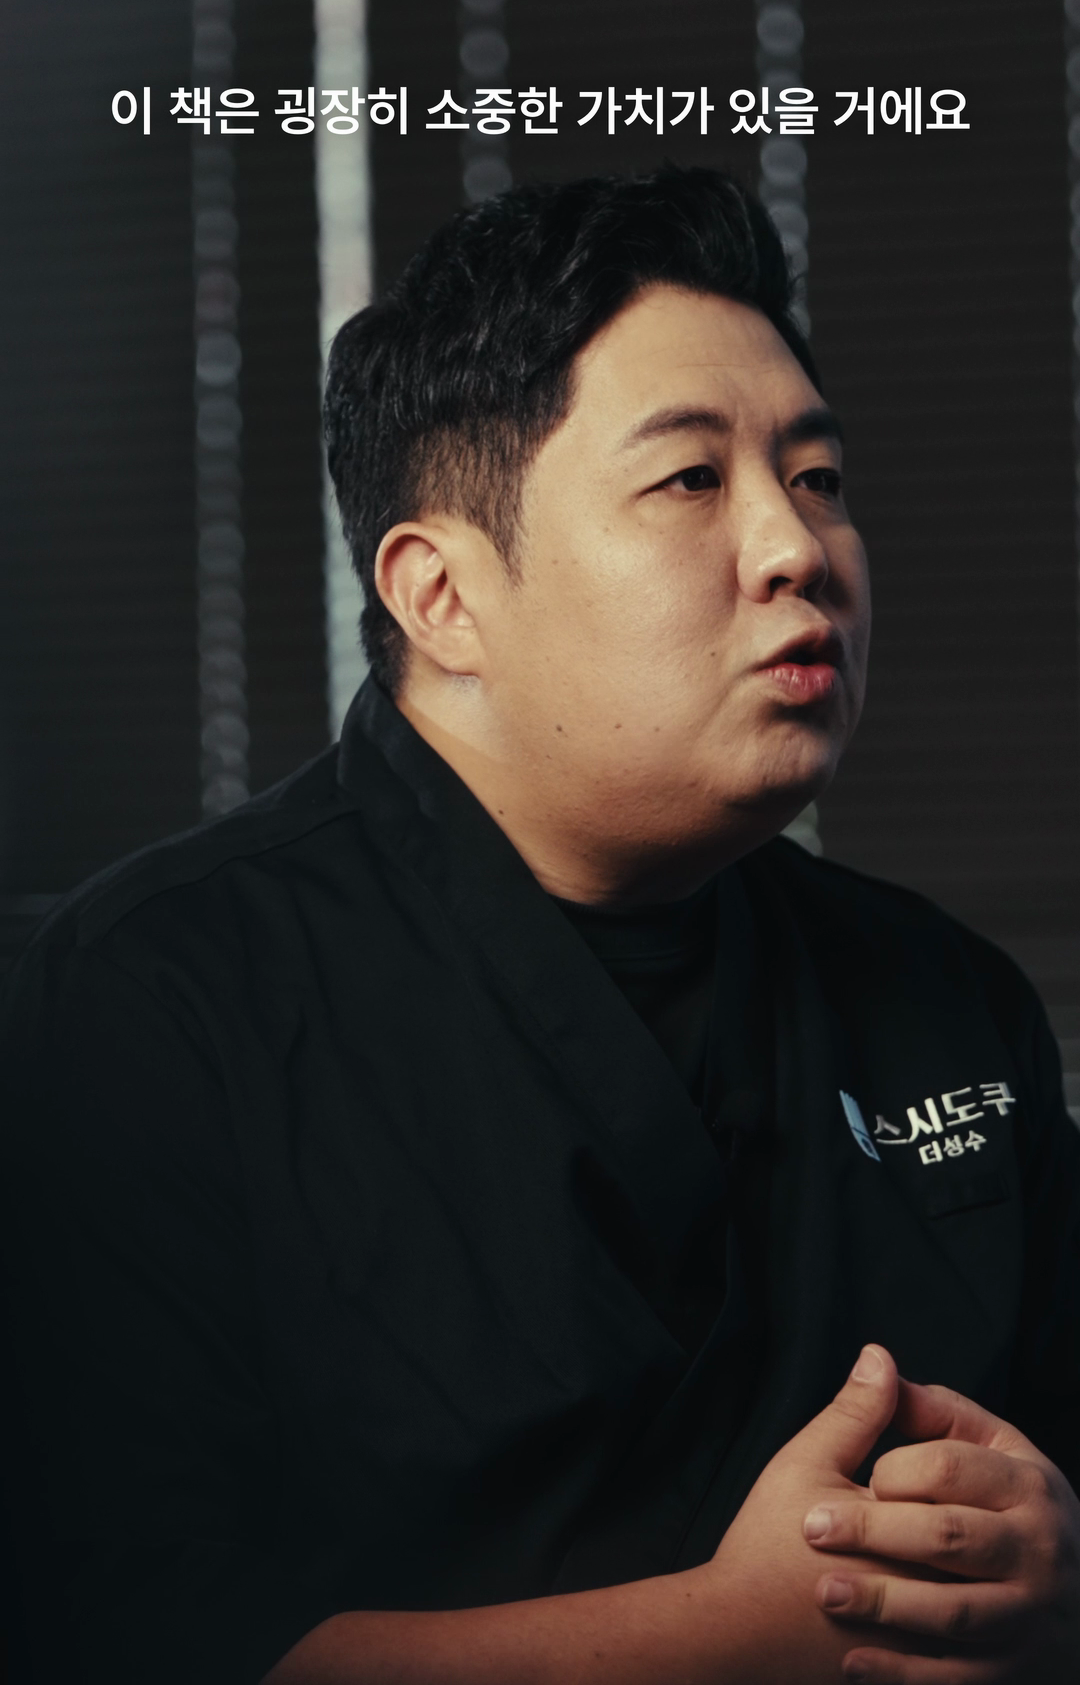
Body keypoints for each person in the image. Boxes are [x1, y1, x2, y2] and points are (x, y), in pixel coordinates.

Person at [2, 164, 1080, 1685]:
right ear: (442, 596)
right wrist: (739, 1633)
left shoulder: (948, 997)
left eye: (820, 476)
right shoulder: (155, 1003)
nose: (796, 547)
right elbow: (117, 1637)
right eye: (691, 480)